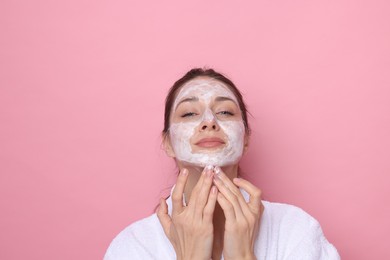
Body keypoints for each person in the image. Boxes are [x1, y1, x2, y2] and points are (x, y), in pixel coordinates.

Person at [104, 68, 340, 260]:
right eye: (188, 114)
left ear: (246, 139)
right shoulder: (133, 246)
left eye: (225, 112)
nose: (209, 122)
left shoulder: (296, 230)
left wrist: (244, 257)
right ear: (168, 143)